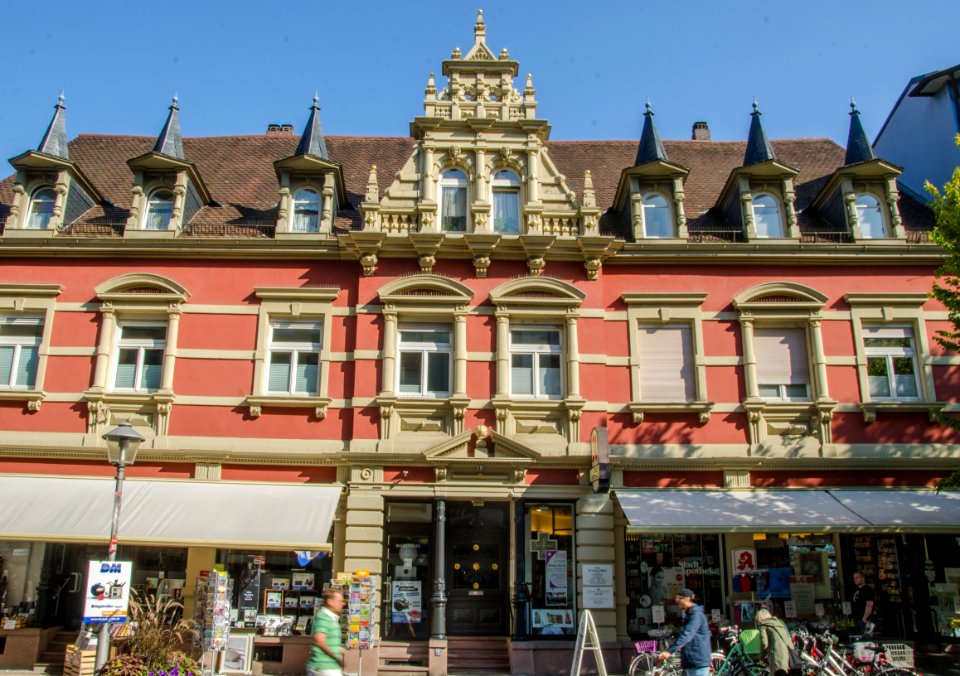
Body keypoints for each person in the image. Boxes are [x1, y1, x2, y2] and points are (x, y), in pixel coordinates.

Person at [658, 588, 711, 676]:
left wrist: (670, 651)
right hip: (691, 660)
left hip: (697, 660)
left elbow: (687, 634)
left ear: (688, 599)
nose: (677, 601)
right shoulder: (690, 614)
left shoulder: (696, 615)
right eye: (676, 598)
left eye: (679, 598)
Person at [307, 588, 345, 676]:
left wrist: (338, 649)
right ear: (330, 602)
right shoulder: (323, 617)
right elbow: (319, 640)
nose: (343, 603)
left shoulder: (331, 618)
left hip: (329, 667)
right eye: (340, 601)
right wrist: (335, 657)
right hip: (323, 667)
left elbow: (326, 640)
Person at [755, 608, 791, 676]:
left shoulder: (763, 624)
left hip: (776, 654)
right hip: (787, 652)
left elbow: (764, 643)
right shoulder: (779, 623)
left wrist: (762, 658)